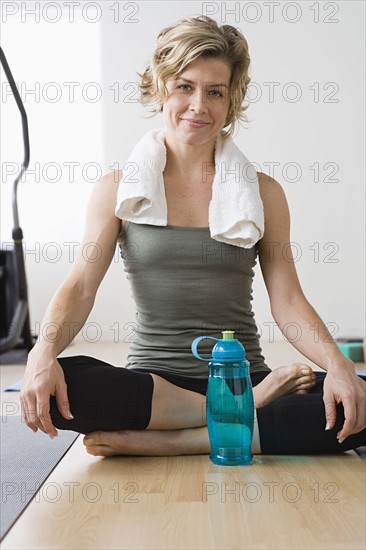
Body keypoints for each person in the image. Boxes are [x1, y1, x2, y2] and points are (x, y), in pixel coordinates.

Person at [20, 15, 365, 457]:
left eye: (214, 91)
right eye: (184, 86)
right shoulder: (116, 188)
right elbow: (82, 286)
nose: (198, 105)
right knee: (60, 383)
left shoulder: (263, 193)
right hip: (154, 389)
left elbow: (288, 301)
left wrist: (340, 368)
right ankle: (237, 417)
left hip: (242, 377)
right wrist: (40, 354)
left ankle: (179, 441)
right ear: (160, 87)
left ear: (230, 101)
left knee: (358, 398)